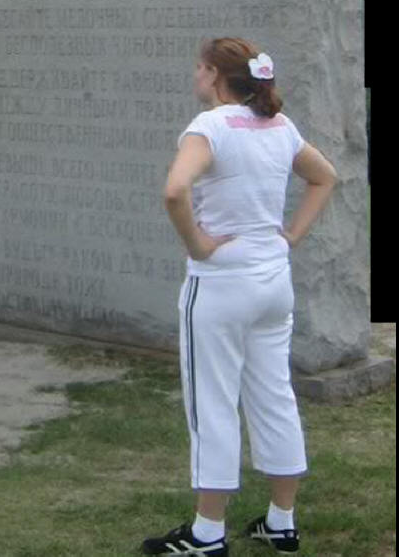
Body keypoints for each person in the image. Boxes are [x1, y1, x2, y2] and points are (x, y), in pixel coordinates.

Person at [142, 37, 338, 556]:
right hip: (273, 280)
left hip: (221, 284)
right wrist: (291, 234)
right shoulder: (279, 126)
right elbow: (325, 176)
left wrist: (198, 244)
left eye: (197, 67)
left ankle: (207, 533)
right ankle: (282, 520)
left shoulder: (208, 127)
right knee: (274, 395)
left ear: (212, 74)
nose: (194, 76)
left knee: (213, 402)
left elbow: (174, 190)